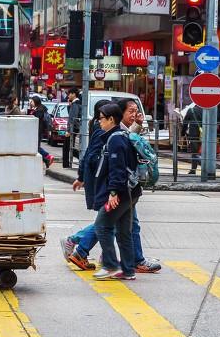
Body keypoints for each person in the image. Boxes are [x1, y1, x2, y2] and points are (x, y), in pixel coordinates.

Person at [63, 99, 161, 274]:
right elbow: (93, 156)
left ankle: (103, 256)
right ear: (117, 116)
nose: (134, 114)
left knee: (116, 223)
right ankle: (126, 260)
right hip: (114, 188)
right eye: (130, 111)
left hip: (119, 187)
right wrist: (91, 180)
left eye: (136, 111)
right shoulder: (107, 133)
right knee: (113, 223)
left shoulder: (119, 133)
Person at [92, 103, 142, 280]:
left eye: (101, 119)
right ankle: (128, 270)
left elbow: (117, 168)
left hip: (122, 192)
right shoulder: (121, 136)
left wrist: (113, 192)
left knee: (102, 226)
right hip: (130, 191)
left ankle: (111, 265)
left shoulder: (115, 139)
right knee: (123, 232)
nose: (99, 122)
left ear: (111, 119)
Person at [62, 99, 111, 271]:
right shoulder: (101, 129)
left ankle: (103, 256)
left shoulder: (103, 128)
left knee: (111, 220)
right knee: (108, 220)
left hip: (101, 180)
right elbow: (91, 155)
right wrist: (84, 176)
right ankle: (78, 245)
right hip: (102, 181)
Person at [29, 96, 55, 168]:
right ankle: (46, 160)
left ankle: (47, 156)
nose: (31, 102)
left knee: (35, 147)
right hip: (38, 130)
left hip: (38, 131)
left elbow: (36, 119)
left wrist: (32, 114)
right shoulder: (40, 108)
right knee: (36, 147)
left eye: (32, 101)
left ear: (36, 102)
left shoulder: (39, 110)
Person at [64, 88, 81, 168]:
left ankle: (67, 165)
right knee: (70, 147)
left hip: (73, 128)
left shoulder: (76, 104)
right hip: (74, 128)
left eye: (69, 94)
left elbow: (72, 118)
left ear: (74, 94)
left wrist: (69, 130)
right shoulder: (74, 103)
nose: (68, 95)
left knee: (67, 147)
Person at [184, 104, 203, 175]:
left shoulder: (191, 110)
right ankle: (200, 168)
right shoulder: (205, 111)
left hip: (194, 134)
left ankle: (194, 169)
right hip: (204, 134)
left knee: (195, 152)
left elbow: (185, 122)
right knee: (201, 152)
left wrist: (183, 133)